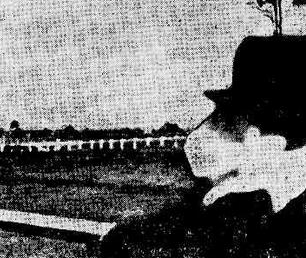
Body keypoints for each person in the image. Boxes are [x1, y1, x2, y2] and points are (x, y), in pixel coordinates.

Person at [101, 36, 306, 258]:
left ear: (260, 139)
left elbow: (125, 243)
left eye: (226, 119)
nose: (203, 132)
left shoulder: (238, 215)